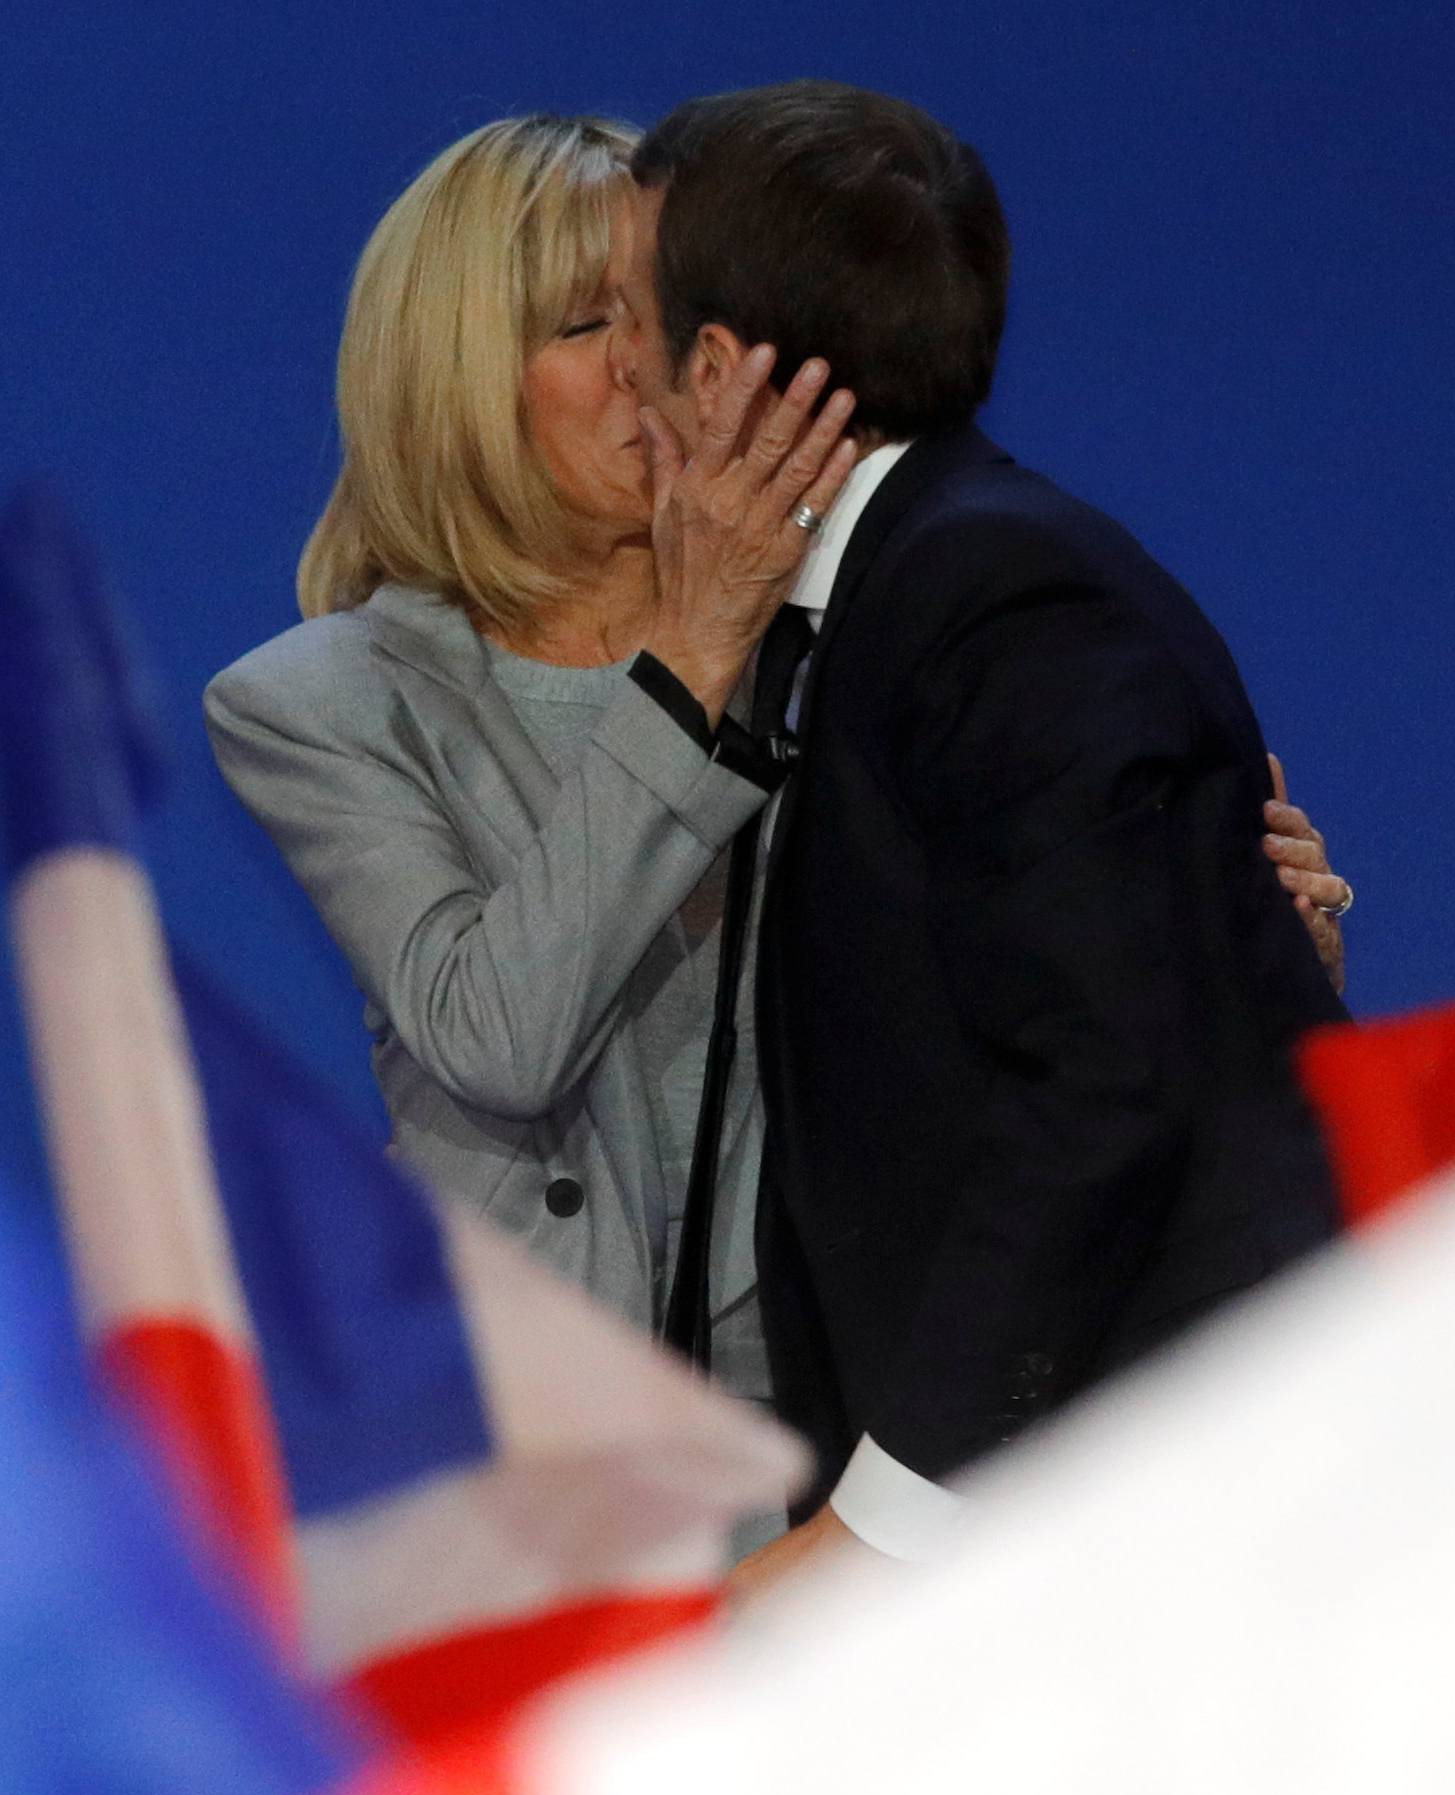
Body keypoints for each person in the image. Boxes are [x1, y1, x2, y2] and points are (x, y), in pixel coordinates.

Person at [205, 115, 1350, 1464]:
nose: (649, 370)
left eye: (658, 316)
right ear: (458, 375)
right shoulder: (324, 702)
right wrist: (691, 656)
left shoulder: (843, 636)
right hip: (525, 1447)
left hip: (835, 1419)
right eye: (590, 325)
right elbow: (496, 1037)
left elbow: (1036, 1025)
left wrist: (1229, 945)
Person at [619, 83, 1355, 1593]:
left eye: (625, 314)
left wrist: (877, 1526)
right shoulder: (886, 601)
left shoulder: (1001, 604)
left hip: (1151, 1528)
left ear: (710, 368)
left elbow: (1108, 1077)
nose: (612, 362)